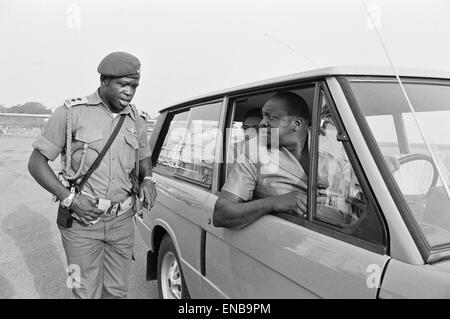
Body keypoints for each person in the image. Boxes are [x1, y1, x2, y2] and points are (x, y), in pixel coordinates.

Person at [27, 51, 157, 298]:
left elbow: (143, 155)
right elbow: (36, 163)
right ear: (104, 81)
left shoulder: (136, 119)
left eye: (135, 86)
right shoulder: (71, 113)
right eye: (123, 84)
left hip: (122, 222)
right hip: (81, 222)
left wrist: (148, 179)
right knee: (82, 290)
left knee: (117, 292)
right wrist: (71, 200)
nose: (129, 91)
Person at [213, 92, 310, 229]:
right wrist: (272, 203)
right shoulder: (254, 150)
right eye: (263, 116)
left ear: (296, 124)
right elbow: (221, 214)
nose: (262, 123)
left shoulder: (332, 148)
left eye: (271, 117)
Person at [227, 108, 262, 175]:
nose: (249, 132)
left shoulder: (275, 149)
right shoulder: (234, 148)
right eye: (245, 128)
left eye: (256, 128)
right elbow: (233, 178)